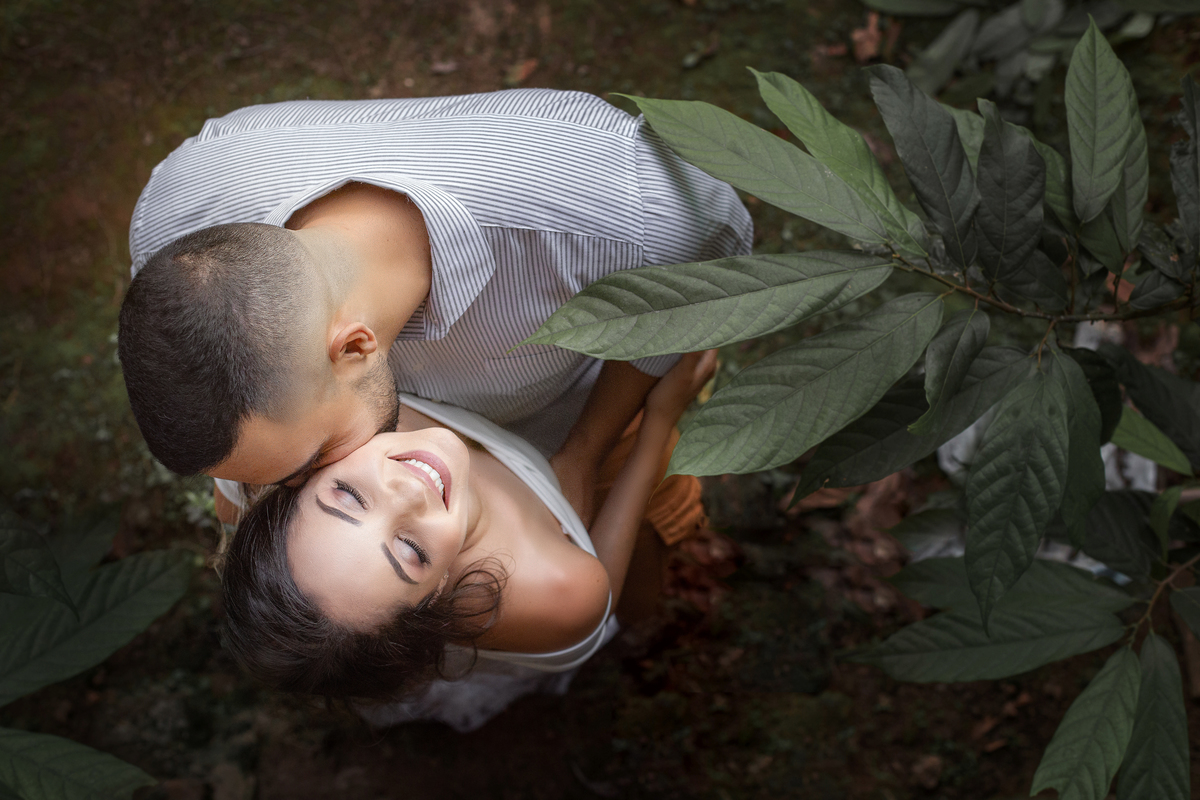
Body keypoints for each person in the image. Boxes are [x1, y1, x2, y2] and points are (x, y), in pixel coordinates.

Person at [117, 88, 752, 525]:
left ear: (355, 346)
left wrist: (585, 454)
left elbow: (681, 313)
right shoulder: (177, 216)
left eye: (310, 462)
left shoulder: (639, 213)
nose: (304, 493)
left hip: (572, 416)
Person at [221, 351, 718, 732]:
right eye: (411, 552)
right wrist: (658, 421)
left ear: (295, 477)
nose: (408, 493)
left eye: (348, 496)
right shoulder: (553, 589)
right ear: (437, 596)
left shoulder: (288, 428)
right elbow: (598, 591)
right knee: (643, 592)